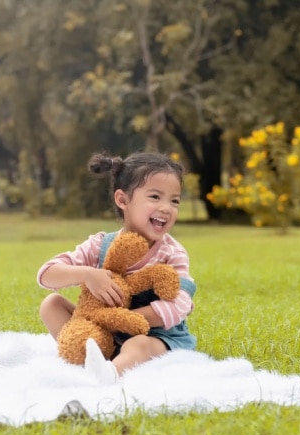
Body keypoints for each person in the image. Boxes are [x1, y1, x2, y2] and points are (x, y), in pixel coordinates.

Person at [37, 152, 197, 384]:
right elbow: (46, 274)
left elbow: (177, 307)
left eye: (174, 201)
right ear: (122, 200)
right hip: (106, 335)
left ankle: (109, 375)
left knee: (137, 344)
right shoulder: (100, 245)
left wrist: (116, 319)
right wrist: (88, 274)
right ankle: (87, 355)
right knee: (51, 304)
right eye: (155, 196)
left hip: (156, 337)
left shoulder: (172, 253)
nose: (166, 208)